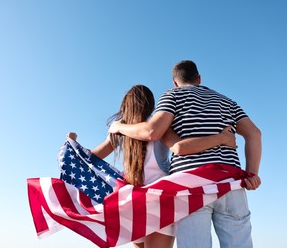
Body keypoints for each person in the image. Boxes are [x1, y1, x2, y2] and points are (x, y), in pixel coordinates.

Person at [109, 61, 262, 248]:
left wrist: (118, 126)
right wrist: (251, 174)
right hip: (230, 183)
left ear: (175, 82)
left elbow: (153, 131)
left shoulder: (172, 96)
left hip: (191, 186)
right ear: (199, 79)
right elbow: (254, 134)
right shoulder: (226, 101)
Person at [68, 84, 238, 248]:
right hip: (161, 201)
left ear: (125, 107)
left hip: (134, 203)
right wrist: (220, 138)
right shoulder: (159, 127)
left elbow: (91, 157)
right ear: (151, 105)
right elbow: (179, 147)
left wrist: (72, 144)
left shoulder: (120, 130)